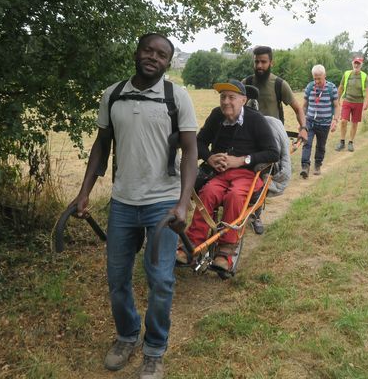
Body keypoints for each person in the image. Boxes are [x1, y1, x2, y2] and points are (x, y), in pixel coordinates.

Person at [70, 33, 198, 379]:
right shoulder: (112, 95)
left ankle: (155, 349)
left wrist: (183, 203)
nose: (153, 57)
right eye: (147, 50)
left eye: (161, 54)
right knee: (117, 278)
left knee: (160, 280)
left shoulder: (177, 97)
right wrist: (84, 192)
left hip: (162, 204)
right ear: (137, 53)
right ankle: (127, 336)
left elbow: (190, 153)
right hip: (123, 204)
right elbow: (100, 146)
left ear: (168, 62)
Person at [177, 79, 279, 270]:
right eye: (223, 97)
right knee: (207, 194)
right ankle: (190, 246)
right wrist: (209, 158)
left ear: (243, 100)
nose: (225, 102)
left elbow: (273, 152)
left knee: (234, 197)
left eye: (231, 97)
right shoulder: (217, 116)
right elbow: (198, 143)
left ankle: (225, 252)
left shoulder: (256, 119)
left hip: (247, 175)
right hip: (219, 174)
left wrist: (241, 160)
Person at [242, 45, 307, 234]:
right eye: (256, 62)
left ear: (271, 62)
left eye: (263, 62)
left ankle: (256, 215)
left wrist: (303, 128)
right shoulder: (244, 83)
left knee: (262, 177)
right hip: (247, 139)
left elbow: (298, 108)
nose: (259, 66)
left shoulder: (279, 84)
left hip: (270, 142)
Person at [300, 65, 339, 178]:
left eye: (319, 79)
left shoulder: (332, 88)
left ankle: (317, 165)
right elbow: (304, 106)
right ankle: (305, 167)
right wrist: (302, 124)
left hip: (325, 123)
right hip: (310, 122)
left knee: (321, 146)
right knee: (307, 143)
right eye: (315, 78)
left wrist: (335, 120)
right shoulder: (310, 87)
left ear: (324, 76)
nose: (316, 81)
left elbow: (336, 106)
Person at [334, 55, 368, 152]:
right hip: (347, 100)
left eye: (358, 63)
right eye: (355, 63)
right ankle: (342, 142)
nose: (356, 65)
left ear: (361, 65)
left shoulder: (364, 76)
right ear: (352, 64)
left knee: (354, 123)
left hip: (358, 102)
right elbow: (341, 87)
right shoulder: (347, 74)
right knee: (343, 121)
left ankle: (350, 142)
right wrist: (337, 99)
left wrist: (366, 102)